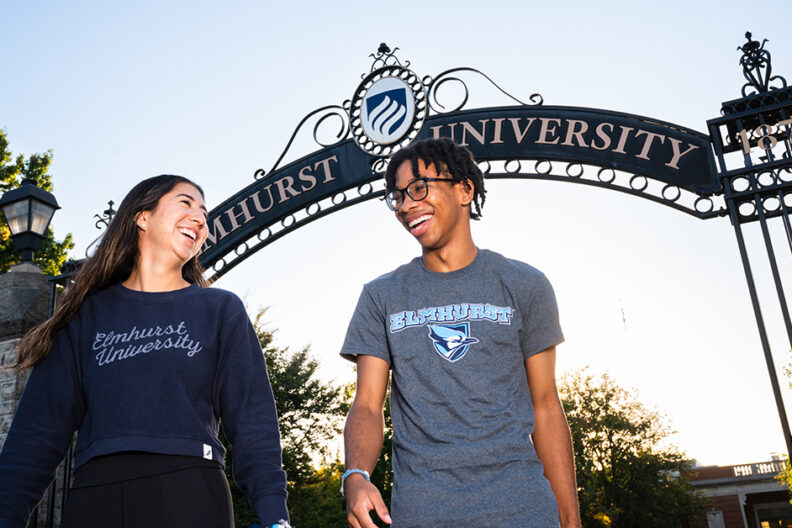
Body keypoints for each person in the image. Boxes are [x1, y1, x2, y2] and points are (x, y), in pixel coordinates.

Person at [0, 175, 290, 528]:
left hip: (191, 493)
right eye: (186, 202)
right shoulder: (87, 315)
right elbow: (37, 432)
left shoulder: (220, 310)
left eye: (204, 212)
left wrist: (275, 514)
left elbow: (253, 419)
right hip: (95, 498)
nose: (199, 218)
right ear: (142, 217)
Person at [340, 138, 582, 528]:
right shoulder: (380, 296)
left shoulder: (525, 284)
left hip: (523, 510)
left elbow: (546, 408)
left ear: (465, 189)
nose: (405, 205)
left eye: (419, 188)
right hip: (423, 513)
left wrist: (570, 521)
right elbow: (367, 405)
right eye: (397, 197)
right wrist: (355, 475)